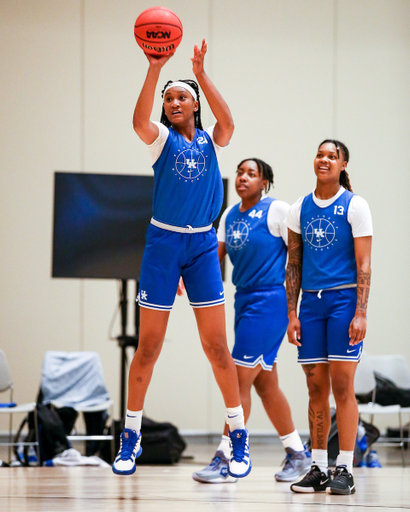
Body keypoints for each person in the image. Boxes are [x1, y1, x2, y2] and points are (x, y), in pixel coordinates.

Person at [112, 40, 251, 478]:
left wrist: (200, 73)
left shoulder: (213, 142)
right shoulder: (160, 141)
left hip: (203, 246)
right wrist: (155, 68)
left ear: (194, 105)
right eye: (168, 98)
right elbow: (138, 121)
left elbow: (228, 121)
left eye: (180, 97)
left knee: (216, 348)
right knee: (148, 347)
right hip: (163, 245)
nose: (172, 102)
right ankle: (130, 437)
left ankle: (238, 434)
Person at [192, 158, 311, 484]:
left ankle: (226, 455)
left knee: (238, 380)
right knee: (265, 385)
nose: (243, 178)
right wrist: (184, 279)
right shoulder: (229, 215)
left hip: (270, 302)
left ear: (265, 183)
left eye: (252, 174)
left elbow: (298, 259)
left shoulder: (276, 211)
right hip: (243, 301)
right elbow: (212, 259)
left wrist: (294, 311)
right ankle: (298, 454)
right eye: (240, 172)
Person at [285, 140, 372, 495]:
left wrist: (361, 313)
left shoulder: (355, 205)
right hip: (310, 305)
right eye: (320, 154)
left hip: (344, 300)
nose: (324, 159)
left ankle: (345, 468)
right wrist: (292, 312)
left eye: (331, 156)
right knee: (315, 387)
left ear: (343, 164)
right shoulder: (298, 208)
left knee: (342, 386)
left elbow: (364, 264)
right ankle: (318, 467)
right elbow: (293, 264)